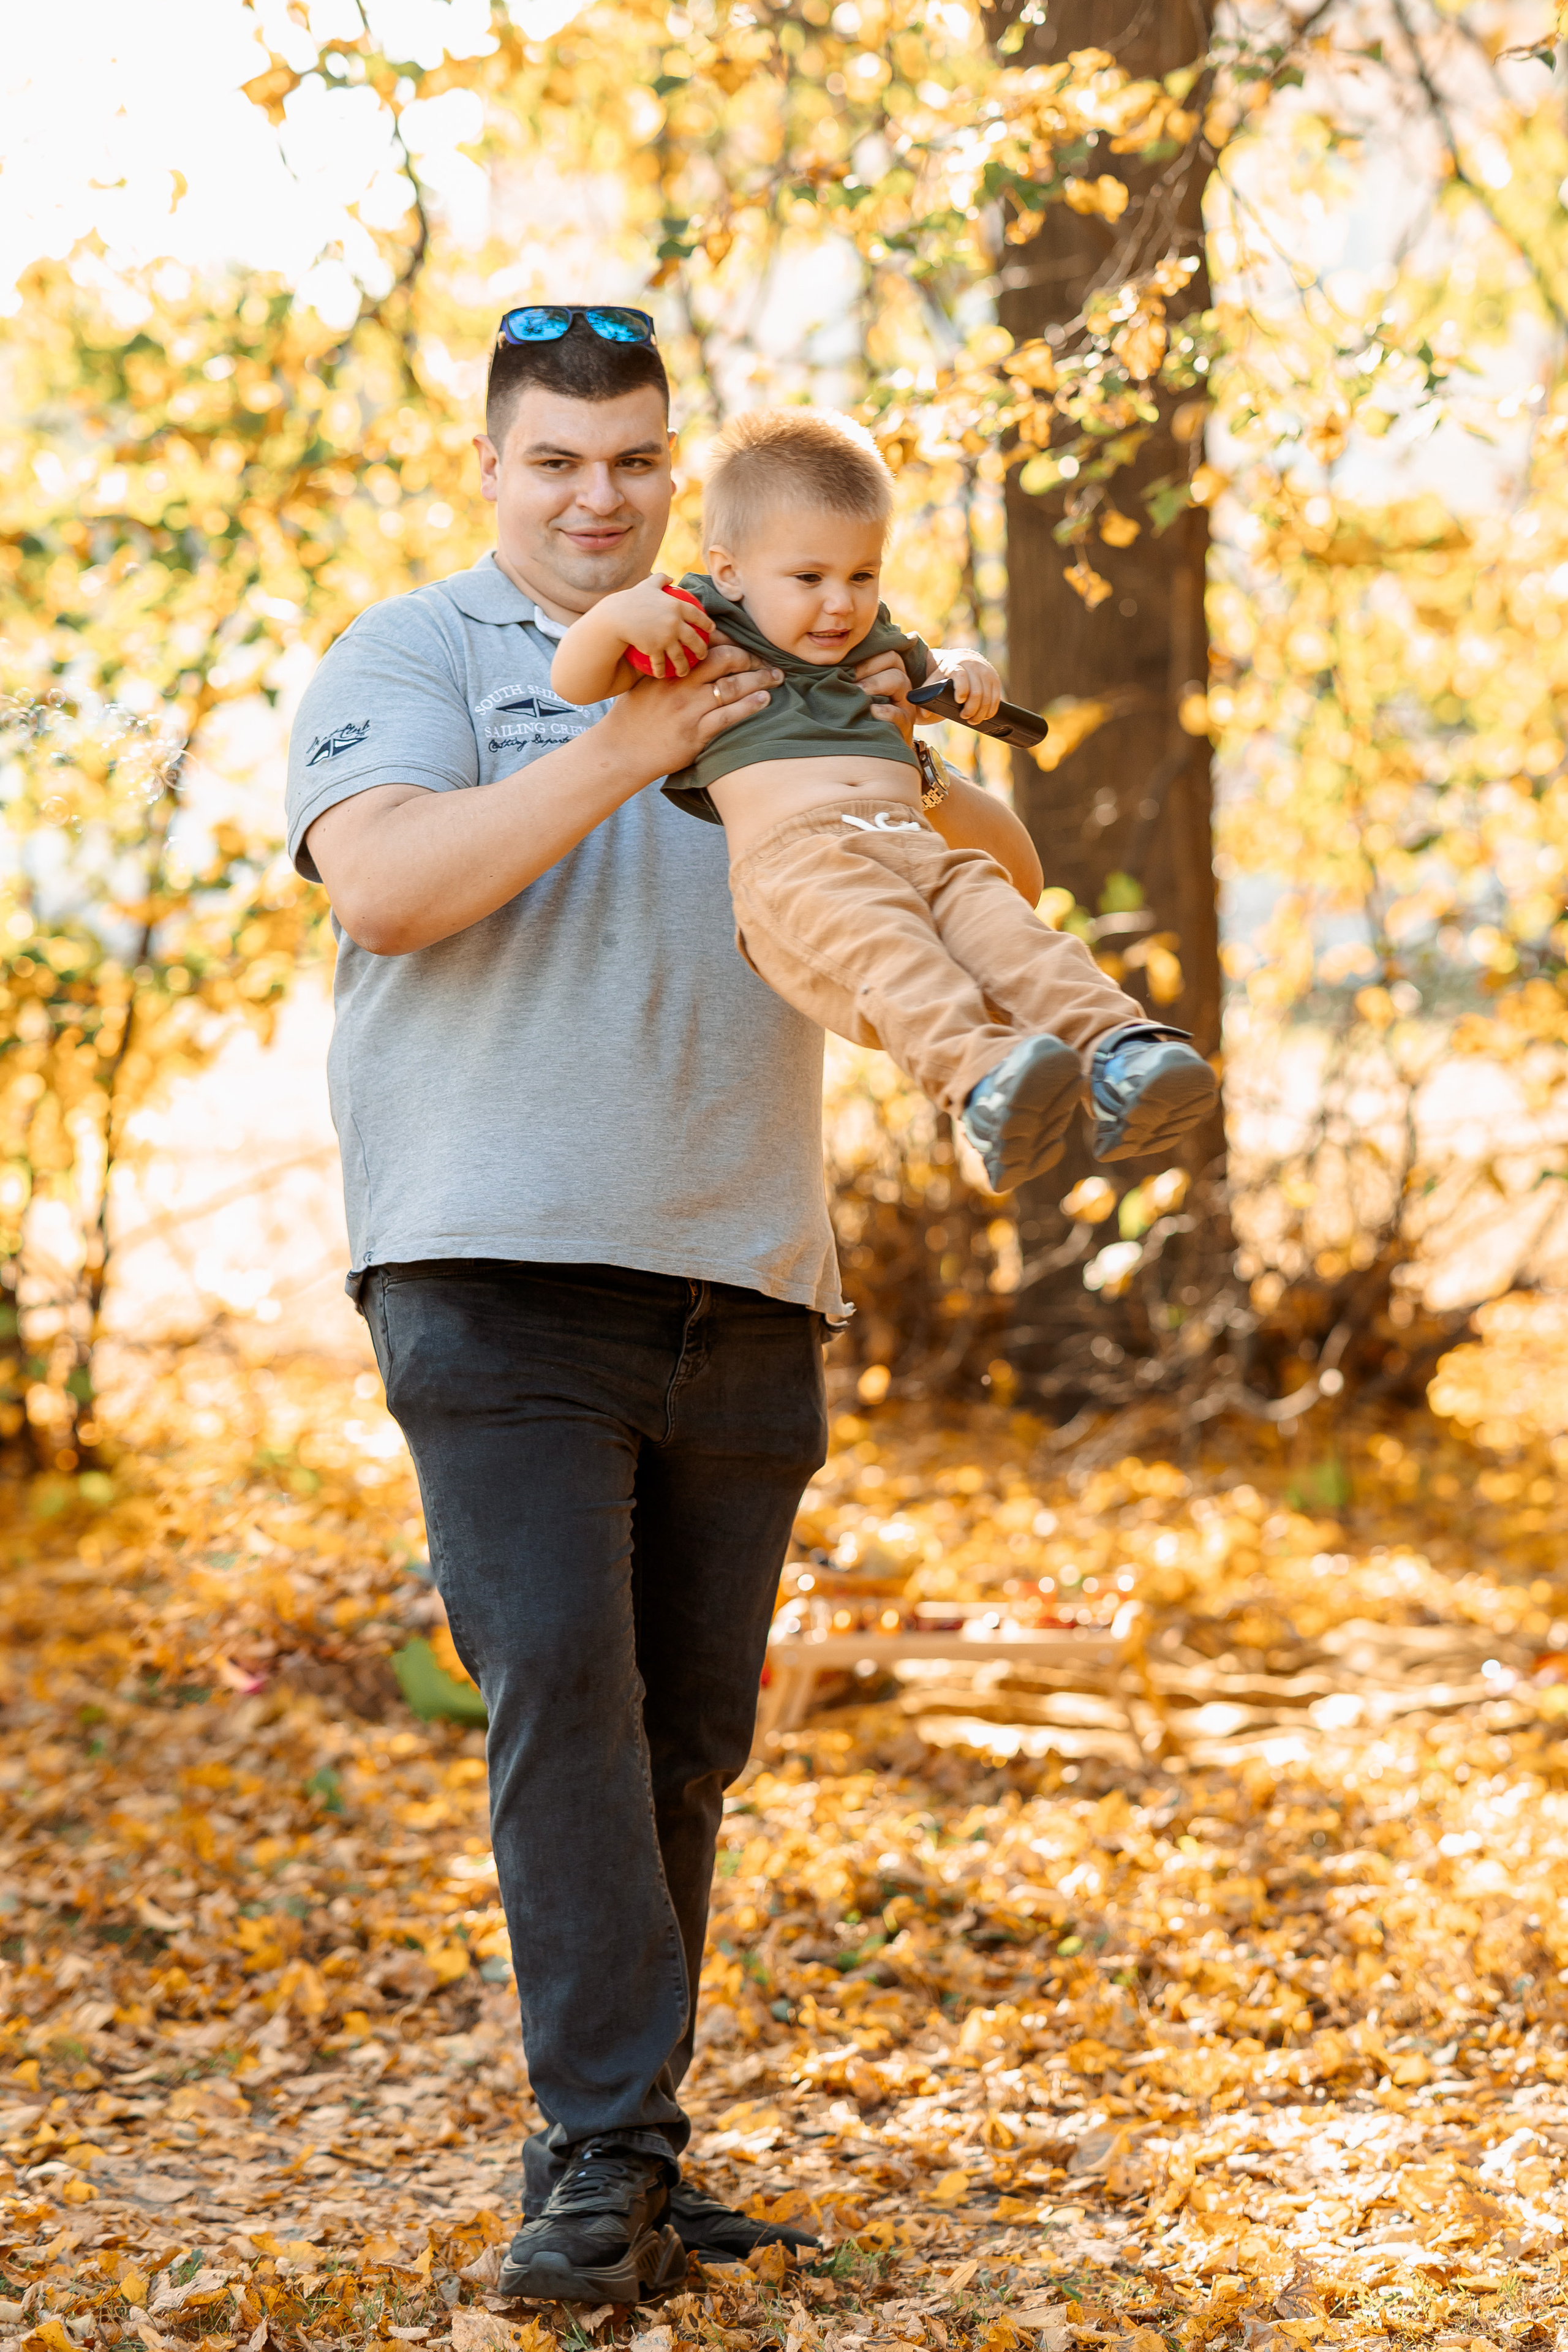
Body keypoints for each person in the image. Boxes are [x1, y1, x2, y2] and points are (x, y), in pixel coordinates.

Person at [284, 304, 1049, 2307]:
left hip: (745, 1271)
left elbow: (998, 864)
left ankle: (623, 2146)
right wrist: (632, 745)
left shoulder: (784, 643)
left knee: (686, 1734)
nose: (595, 495)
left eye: (629, 459)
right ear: (494, 469)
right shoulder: (423, 655)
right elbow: (391, 889)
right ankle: (599, 2153)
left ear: (671, 467)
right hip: (493, 1262)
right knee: (560, 1695)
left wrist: (881, 744)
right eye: (555, 460)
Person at [552, 408, 1219, 1190]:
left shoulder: (874, 645)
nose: (840, 604)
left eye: (861, 576)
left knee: (1012, 934)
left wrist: (967, 670)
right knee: (891, 956)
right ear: (729, 569)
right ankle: (986, 1076)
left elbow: (940, 660)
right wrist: (614, 619)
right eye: (809, 579)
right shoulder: (701, 623)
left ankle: (1122, 1051)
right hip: (800, 864)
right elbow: (577, 680)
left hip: (911, 841)